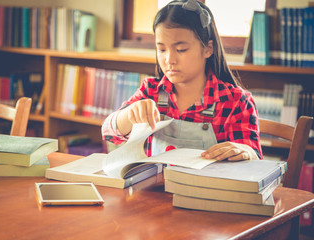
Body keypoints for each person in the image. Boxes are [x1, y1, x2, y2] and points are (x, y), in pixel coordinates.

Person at [102, 0, 262, 161]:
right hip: (155, 186)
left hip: (207, 186)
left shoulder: (235, 101)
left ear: (208, 48)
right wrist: (129, 115)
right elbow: (109, 134)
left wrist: (246, 152)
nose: (169, 59)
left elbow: (254, 165)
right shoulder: (151, 91)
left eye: (181, 49)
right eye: (162, 49)